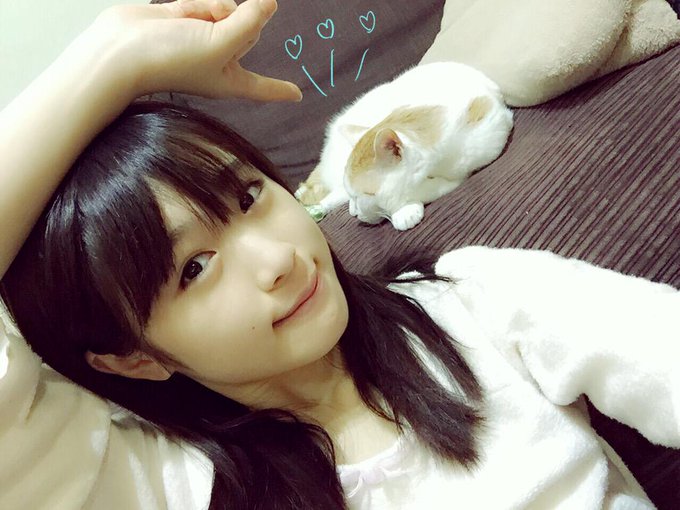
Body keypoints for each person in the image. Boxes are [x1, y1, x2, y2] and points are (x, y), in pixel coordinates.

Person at [0, 1, 678, 509]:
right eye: (194, 269)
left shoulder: (477, 304)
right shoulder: (163, 486)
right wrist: (112, 61)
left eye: (248, 196)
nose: (277, 260)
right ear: (134, 358)